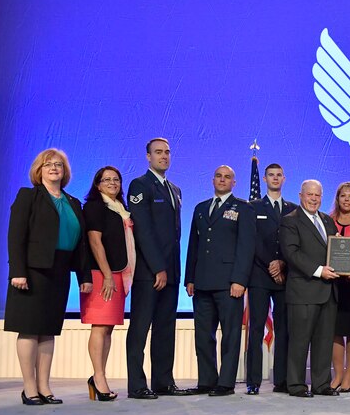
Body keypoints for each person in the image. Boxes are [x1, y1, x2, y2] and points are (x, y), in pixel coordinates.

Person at [5, 148, 92, 405]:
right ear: (39, 170)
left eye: (59, 165)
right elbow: (16, 236)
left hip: (60, 270)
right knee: (30, 329)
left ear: (65, 172)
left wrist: (84, 276)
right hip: (32, 271)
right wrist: (18, 271)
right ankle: (29, 388)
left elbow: (81, 245)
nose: (54, 168)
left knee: (48, 330)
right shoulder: (29, 196)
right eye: (48, 164)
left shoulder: (73, 202)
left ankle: (44, 387)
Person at [125, 138, 189, 399]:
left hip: (170, 271)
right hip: (149, 273)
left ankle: (163, 382)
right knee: (140, 329)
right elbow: (143, 230)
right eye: (158, 152)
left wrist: (171, 270)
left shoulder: (175, 189)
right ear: (148, 157)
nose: (164, 156)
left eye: (167, 152)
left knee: (165, 328)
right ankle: (137, 385)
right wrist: (157, 268)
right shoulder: (140, 185)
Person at [185, 166, 256, 396]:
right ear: (212, 180)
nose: (222, 180)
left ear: (234, 183)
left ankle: (225, 383)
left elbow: (246, 247)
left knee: (230, 335)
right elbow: (193, 245)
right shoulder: (201, 208)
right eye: (218, 176)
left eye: (227, 177)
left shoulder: (243, 208)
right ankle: (206, 381)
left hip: (229, 283)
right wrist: (190, 277)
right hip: (202, 282)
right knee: (203, 335)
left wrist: (240, 280)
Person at [279, 180, 340, 398]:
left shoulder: (327, 220)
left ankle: (321, 384)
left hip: (328, 291)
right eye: (309, 194)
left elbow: (335, 249)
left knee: (324, 341)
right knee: (299, 341)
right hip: (303, 290)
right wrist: (318, 271)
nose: (314, 199)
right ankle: (296, 385)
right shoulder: (290, 221)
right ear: (300, 195)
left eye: (317, 195)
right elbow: (291, 253)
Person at [80, 166, 135, 401]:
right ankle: (98, 377)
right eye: (106, 180)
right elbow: (95, 241)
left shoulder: (120, 208)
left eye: (116, 179)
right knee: (100, 326)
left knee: (108, 327)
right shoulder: (95, 206)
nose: (112, 183)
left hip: (118, 273)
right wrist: (107, 275)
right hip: (102, 275)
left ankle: (99, 377)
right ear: (97, 184)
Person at [246, 163, 297, 395]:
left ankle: (282, 380)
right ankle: (253, 381)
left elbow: (295, 242)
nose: (275, 178)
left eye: (279, 175)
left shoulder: (293, 209)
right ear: (264, 179)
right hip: (259, 275)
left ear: (284, 179)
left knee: (284, 329)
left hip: (284, 277)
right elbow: (251, 240)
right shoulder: (253, 206)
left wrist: (282, 263)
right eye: (271, 175)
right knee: (256, 329)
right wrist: (271, 264)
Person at [329, 182, 350, 392]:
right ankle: (338, 375)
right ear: (337, 198)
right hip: (332, 284)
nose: (346, 200)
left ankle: (349, 376)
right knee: (335, 331)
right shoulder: (328, 222)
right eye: (343, 196)